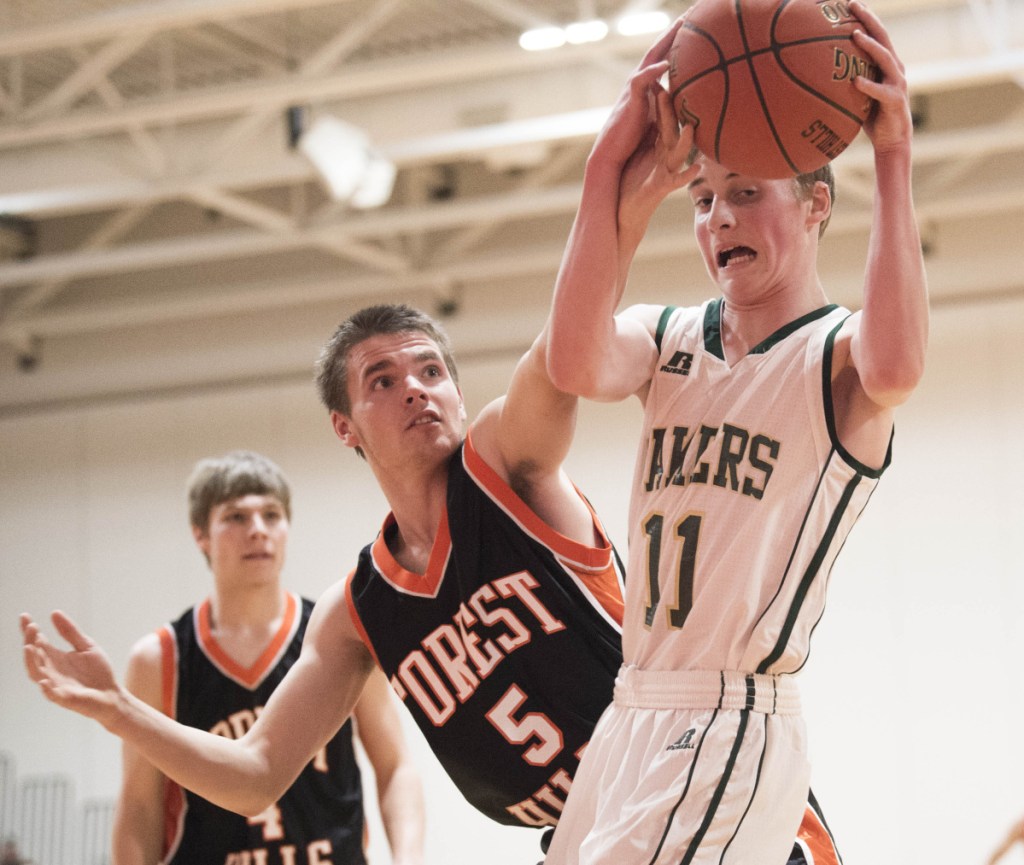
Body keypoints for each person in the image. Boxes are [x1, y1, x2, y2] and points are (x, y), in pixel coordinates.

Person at [22, 306, 837, 863]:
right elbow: (257, 770)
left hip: (692, 779)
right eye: (381, 379)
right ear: (345, 427)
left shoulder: (503, 464)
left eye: (430, 369)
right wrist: (119, 711)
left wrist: (616, 181)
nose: (415, 386)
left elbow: (561, 357)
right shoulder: (360, 610)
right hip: (586, 831)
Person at [542, 3, 929, 863]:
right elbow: (573, 363)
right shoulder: (669, 335)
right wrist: (609, 168)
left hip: (731, 714)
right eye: (705, 198)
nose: (718, 217)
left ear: (817, 203)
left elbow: (898, 369)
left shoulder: (837, 356)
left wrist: (895, 156)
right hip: (631, 705)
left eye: (747, 193)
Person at [112, 450, 425, 865]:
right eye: (236, 517)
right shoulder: (161, 658)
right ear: (200, 534)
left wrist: (409, 858)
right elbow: (139, 808)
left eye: (272, 515)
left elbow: (395, 765)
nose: (258, 530)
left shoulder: (340, 630)